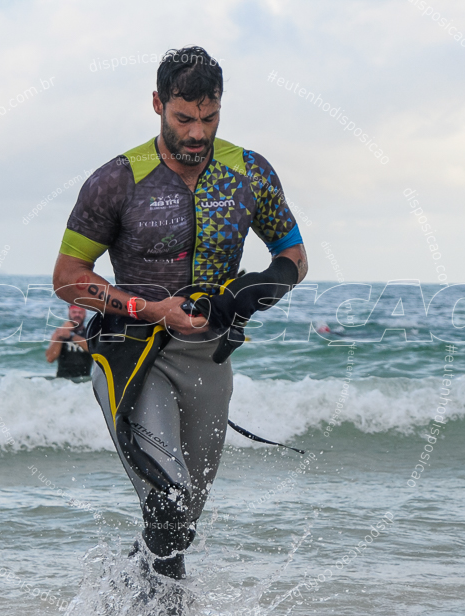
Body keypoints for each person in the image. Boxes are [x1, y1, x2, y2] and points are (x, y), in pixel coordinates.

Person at [51, 47, 308, 586]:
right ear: (157, 104)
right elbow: (68, 277)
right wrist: (151, 308)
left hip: (209, 361)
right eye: (183, 118)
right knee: (167, 501)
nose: (197, 133)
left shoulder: (248, 172)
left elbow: (294, 259)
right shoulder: (118, 180)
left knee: (180, 519)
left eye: (209, 118)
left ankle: (124, 593)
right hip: (133, 355)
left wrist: (248, 293)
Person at [45, 304, 91, 380]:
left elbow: (92, 349)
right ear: (69, 313)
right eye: (74, 312)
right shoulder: (58, 334)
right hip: (63, 381)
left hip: (84, 382)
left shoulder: (89, 333)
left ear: (85, 314)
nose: (77, 315)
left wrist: (71, 335)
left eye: (80, 313)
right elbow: (50, 358)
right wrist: (61, 335)